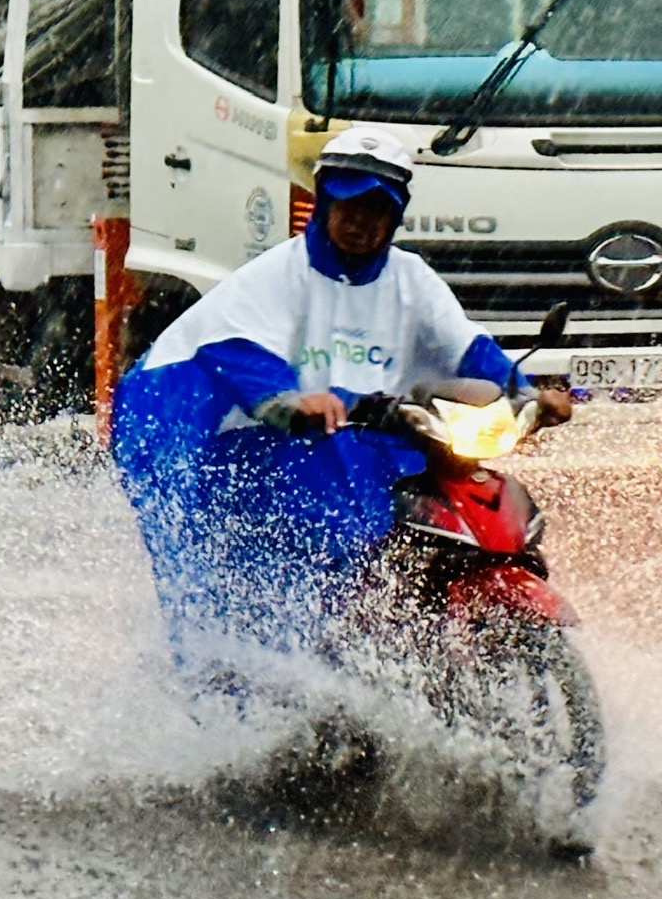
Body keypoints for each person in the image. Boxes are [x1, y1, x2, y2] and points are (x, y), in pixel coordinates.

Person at [110, 126, 574, 655]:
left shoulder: (411, 280)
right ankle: (271, 683)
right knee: (316, 541)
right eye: (347, 207)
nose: (358, 223)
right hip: (244, 453)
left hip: (359, 440)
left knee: (421, 511)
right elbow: (238, 352)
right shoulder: (276, 275)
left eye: (375, 211)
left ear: (395, 216)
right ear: (324, 201)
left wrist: (528, 393)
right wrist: (287, 400)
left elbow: (468, 349)